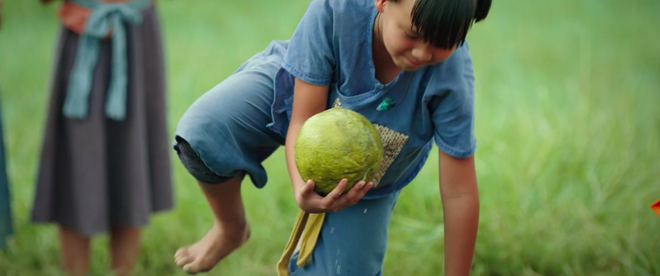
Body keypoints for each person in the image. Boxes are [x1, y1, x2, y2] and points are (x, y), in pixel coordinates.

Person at [172, 0, 491, 275]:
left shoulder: (452, 75)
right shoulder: (337, 9)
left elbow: (459, 193)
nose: (423, 53)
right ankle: (230, 228)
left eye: (442, 43)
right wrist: (301, 188)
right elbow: (303, 117)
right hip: (298, 94)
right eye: (412, 34)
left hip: (367, 173)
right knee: (204, 131)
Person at [30, 0, 173, 275]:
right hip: (81, 23)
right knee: (77, 154)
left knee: (131, 154)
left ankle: (123, 271)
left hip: (136, 26)